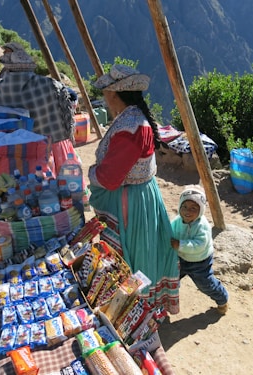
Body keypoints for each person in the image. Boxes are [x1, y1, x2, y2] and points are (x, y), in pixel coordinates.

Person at [88, 64, 180, 314]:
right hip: (144, 195)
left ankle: (132, 309)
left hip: (132, 202)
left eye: (106, 92)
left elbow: (110, 178)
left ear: (114, 94)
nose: (104, 97)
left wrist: (90, 173)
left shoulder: (130, 128)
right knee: (147, 248)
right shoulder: (134, 119)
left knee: (133, 253)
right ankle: (143, 305)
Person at [170, 185, 229, 314]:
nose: (187, 211)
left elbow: (199, 245)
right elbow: (170, 232)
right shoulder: (177, 221)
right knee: (170, 280)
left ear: (201, 211)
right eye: (184, 207)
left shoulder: (202, 226)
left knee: (205, 285)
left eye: (193, 208)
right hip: (180, 258)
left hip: (199, 262)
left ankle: (222, 299)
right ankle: (165, 302)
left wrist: (180, 244)